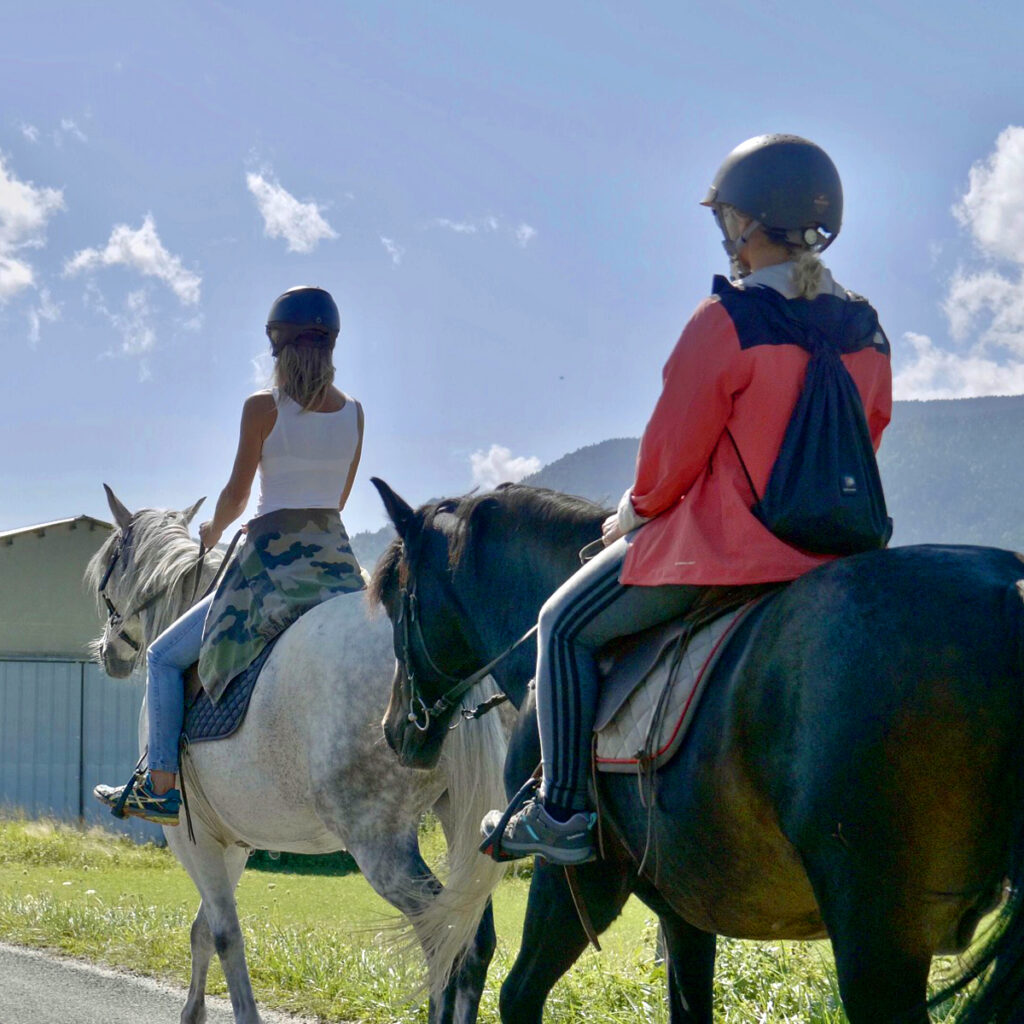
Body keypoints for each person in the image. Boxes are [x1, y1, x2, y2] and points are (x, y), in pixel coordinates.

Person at [483, 134, 893, 865]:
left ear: (746, 223)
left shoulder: (725, 321)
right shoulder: (868, 328)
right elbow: (870, 432)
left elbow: (672, 456)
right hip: (837, 555)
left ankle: (564, 813)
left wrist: (631, 516)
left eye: (725, 220)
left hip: (726, 553)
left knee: (562, 623)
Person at [94, 285, 365, 825]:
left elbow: (238, 495)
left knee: (164, 657)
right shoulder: (355, 414)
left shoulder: (262, 408)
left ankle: (161, 786)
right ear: (331, 347)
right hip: (337, 568)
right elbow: (337, 500)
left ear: (277, 348)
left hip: (268, 567)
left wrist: (212, 531)